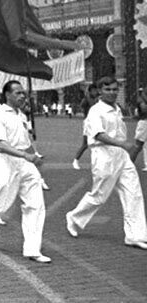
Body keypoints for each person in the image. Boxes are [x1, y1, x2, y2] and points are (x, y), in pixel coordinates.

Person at [0, 81, 51, 263]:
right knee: (0, 205)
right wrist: (25, 155)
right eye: (18, 93)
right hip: (4, 161)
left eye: (23, 93)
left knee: (35, 204)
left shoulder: (21, 115)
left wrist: (33, 155)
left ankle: (32, 248)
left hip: (24, 163)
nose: (22, 96)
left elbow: (25, 140)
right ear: (7, 95)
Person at [65, 77, 147, 249]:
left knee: (134, 193)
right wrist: (123, 144)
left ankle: (135, 235)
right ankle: (73, 217)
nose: (112, 93)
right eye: (108, 89)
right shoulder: (96, 111)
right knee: (99, 196)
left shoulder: (117, 109)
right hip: (103, 155)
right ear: (100, 91)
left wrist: (123, 148)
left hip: (121, 156)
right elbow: (98, 135)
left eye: (115, 89)